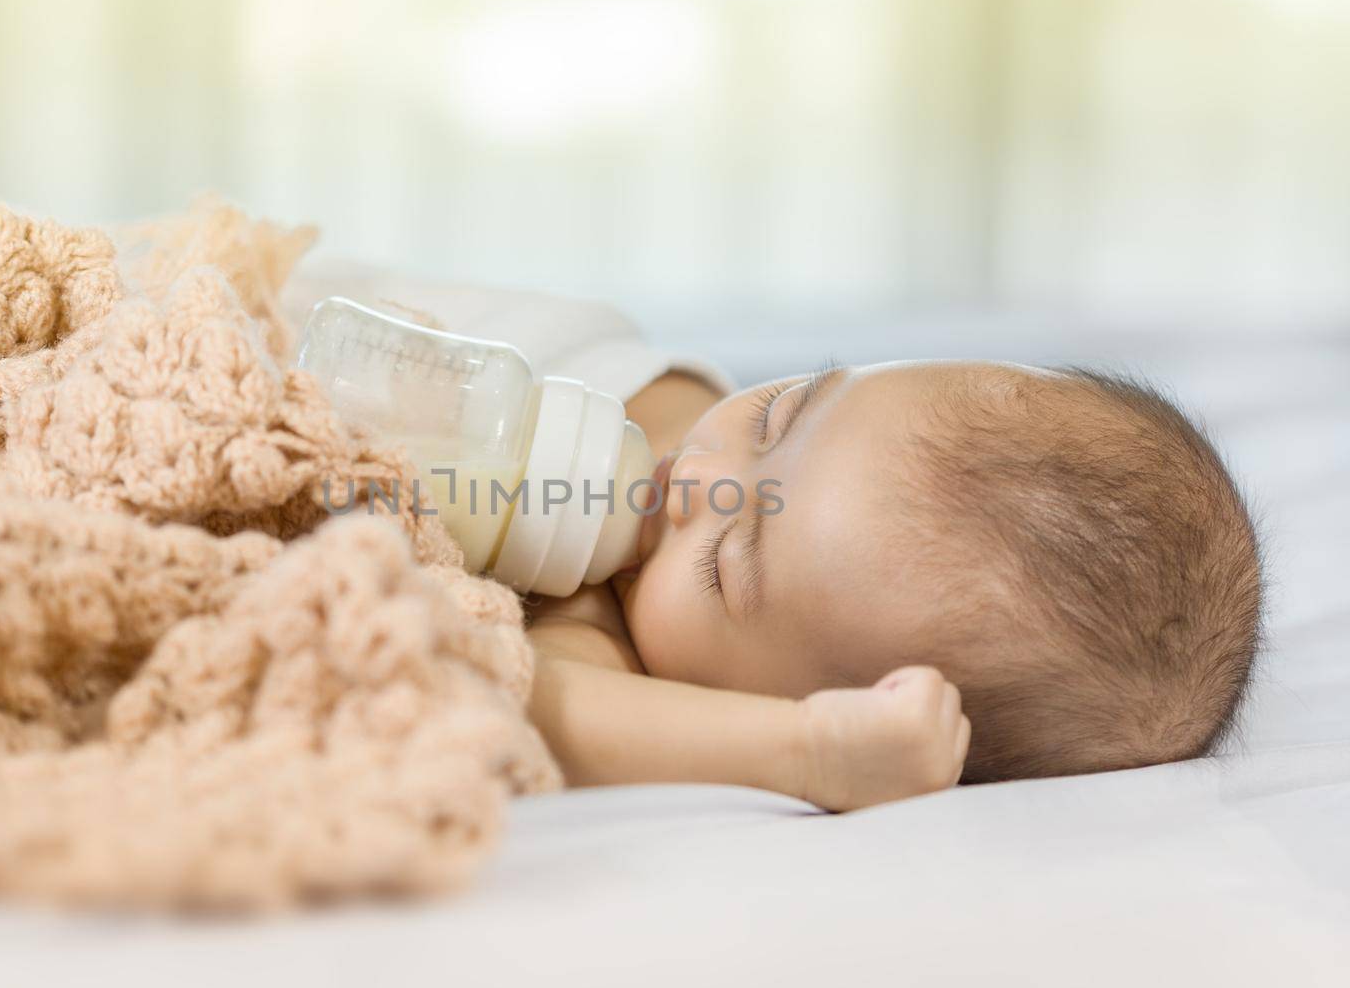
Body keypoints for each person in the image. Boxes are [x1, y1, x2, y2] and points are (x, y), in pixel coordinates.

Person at [283, 264, 1264, 811]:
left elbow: (519, 707)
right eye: (779, 414)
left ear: (776, 695)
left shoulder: (599, 640)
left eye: (723, 562)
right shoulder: (621, 380)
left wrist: (805, 754)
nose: (695, 478)